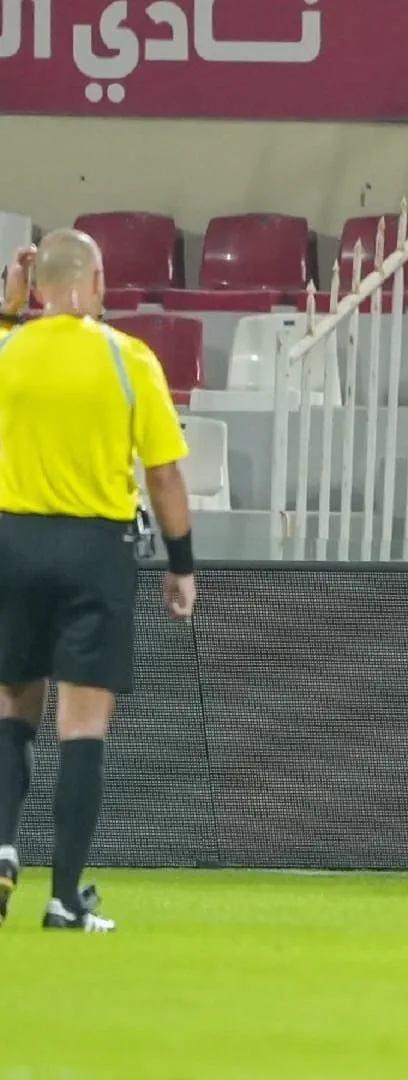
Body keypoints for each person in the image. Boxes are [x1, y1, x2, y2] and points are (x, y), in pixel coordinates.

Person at [0, 235, 197, 933]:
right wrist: (182, 565)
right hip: (94, 549)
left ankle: (1, 849)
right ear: (99, 280)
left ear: (39, 286)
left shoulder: (6, 351)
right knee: (82, 724)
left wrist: (8, 308)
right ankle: (64, 897)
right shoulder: (127, 358)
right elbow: (164, 474)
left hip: (12, 541)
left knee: (10, 708)